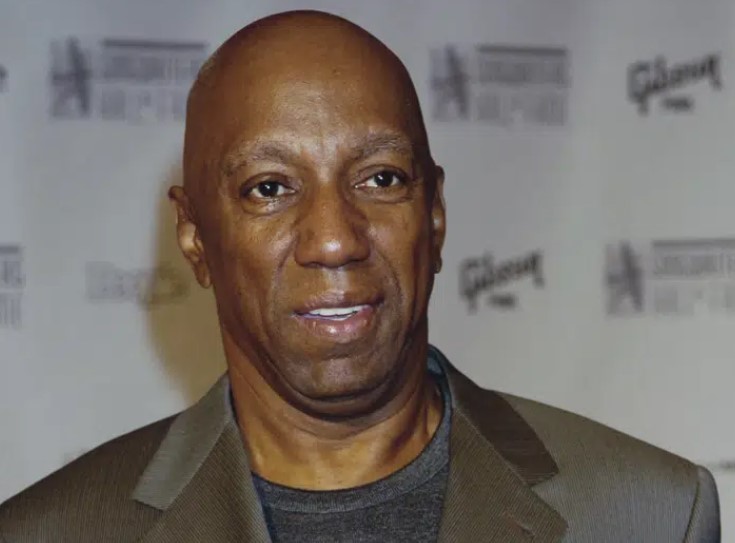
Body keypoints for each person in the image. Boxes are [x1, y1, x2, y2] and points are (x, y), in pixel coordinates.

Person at [0, 10, 720, 543]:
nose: (334, 239)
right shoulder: (52, 533)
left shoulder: (649, 514)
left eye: (380, 178)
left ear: (434, 214)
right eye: (269, 188)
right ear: (194, 235)